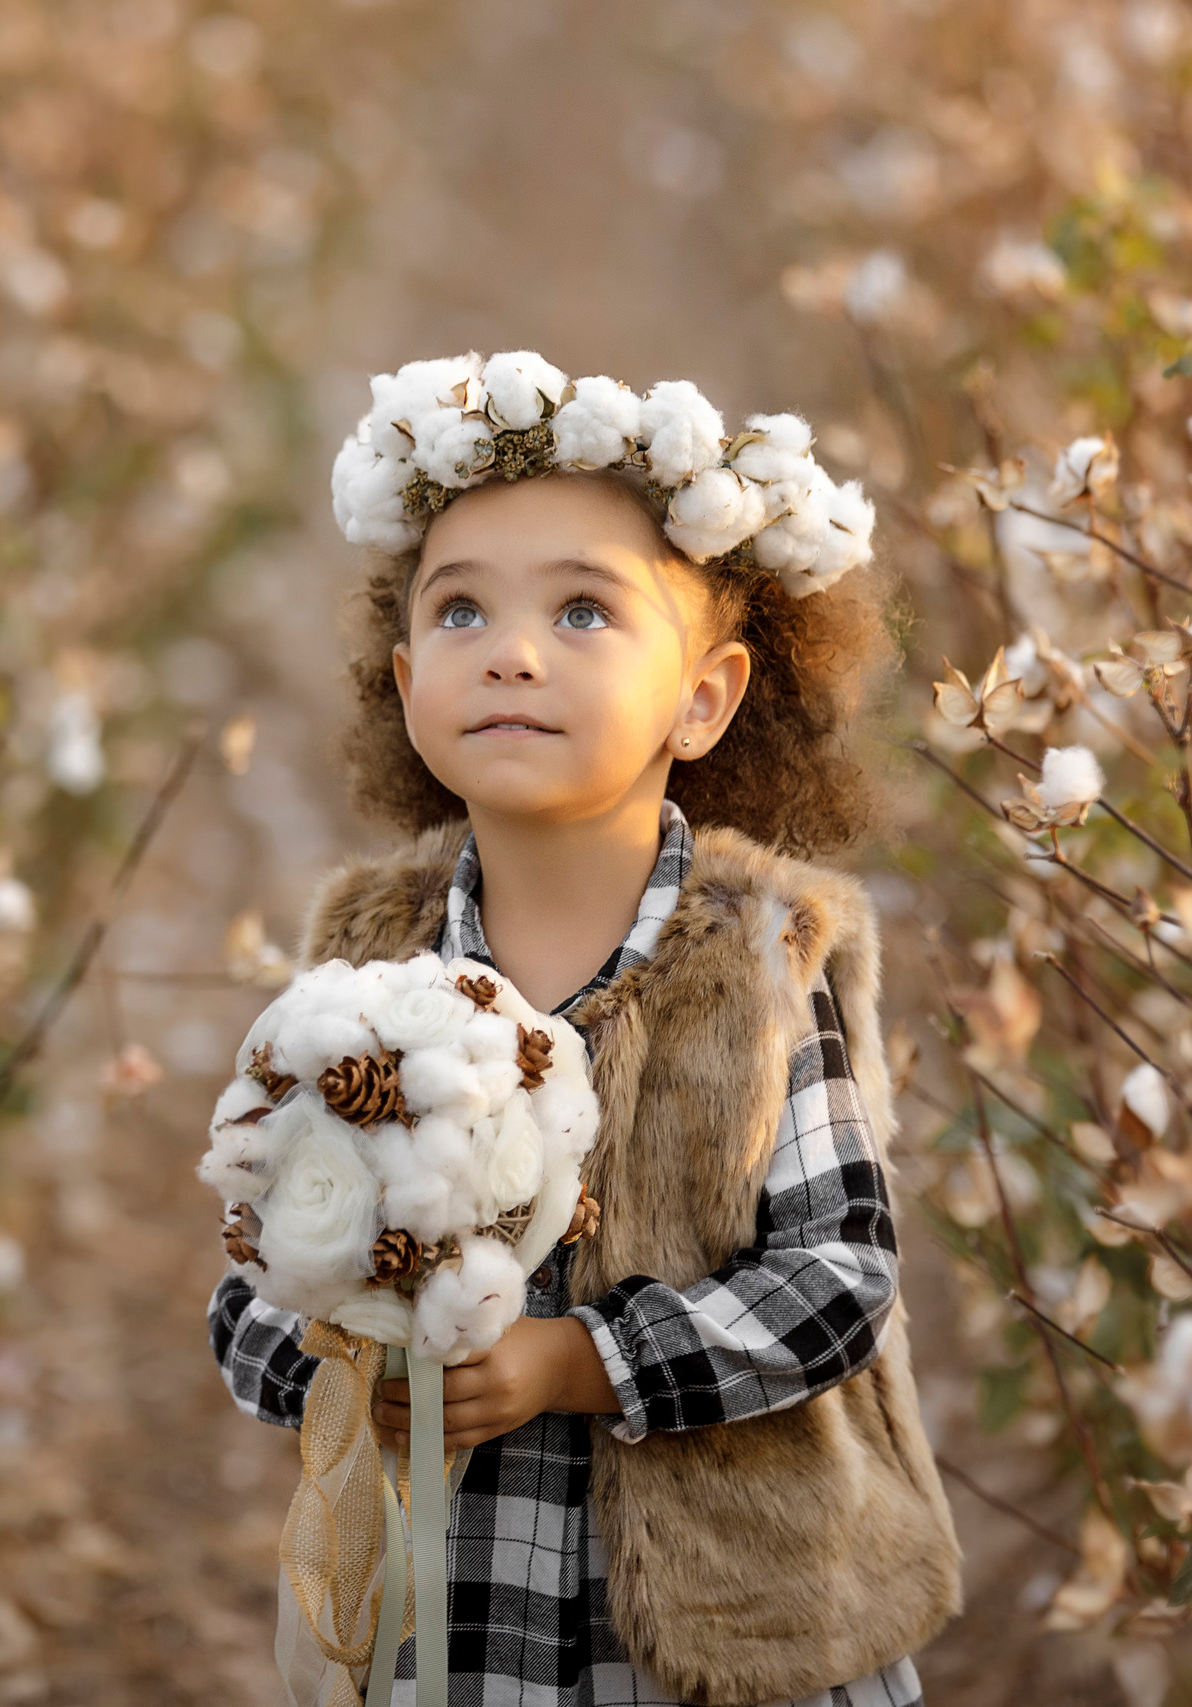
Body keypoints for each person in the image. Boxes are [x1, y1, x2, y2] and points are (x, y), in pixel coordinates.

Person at [209, 352, 960, 1707]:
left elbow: (840, 1277)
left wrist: (582, 1361)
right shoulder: (367, 962)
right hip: (457, 1621)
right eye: (461, 610)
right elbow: (252, 1274)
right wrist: (344, 1364)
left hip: (731, 1627)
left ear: (704, 698)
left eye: (582, 611)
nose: (512, 650)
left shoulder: (755, 961)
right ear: (406, 682)